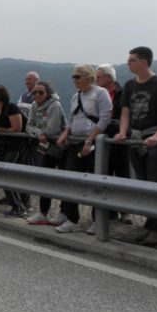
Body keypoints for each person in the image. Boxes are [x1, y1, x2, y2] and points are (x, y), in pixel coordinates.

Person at [114, 47, 157, 246]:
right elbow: (125, 112)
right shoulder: (130, 85)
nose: (128, 63)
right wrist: (123, 131)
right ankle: (153, 223)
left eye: (131, 60)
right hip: (135, 138)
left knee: (155, 182)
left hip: (154, 139)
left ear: (143, 62)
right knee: (143, 182)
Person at [55, 65, 112, 233]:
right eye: (73, 77)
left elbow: (105, 118)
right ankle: (72, 219)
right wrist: (66, 133)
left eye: (77, 77)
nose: (74, 80)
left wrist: (89, 140)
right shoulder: (75, 96)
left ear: (89, 77)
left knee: (96, 183)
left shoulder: (100, 93)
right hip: (76, 144)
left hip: (95, 145)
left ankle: (98, 220)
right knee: (71, 180)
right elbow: (73, 119)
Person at [25, 81, 67, 225]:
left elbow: (54, 128)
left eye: (40, 92)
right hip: (46, 146)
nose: (37, 95)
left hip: (60, 147)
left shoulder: (55, 105)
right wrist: (39, 133)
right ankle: (43, 212)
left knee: (64, 181)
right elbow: (29, 126)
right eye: (34, 92)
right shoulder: (34, 106)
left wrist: (40, 133)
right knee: (45, 179)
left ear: (48, 93)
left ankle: (64, 212)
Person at [96, 64, 131, 223]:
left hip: (120, 138)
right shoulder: (97, 93)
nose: (96, 79)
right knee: (105, 173)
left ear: (108, 78)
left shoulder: (123, 93)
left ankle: (125, 211)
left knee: (122, 174)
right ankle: (109, 212)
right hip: (103, 138)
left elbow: (127, 114)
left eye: (99, 76)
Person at [0, 86, 28, 217]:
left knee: (6, 175)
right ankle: (17, 205)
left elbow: (17, 128)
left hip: (16, 146)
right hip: (3, 146)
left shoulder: (11, 108)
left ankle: (19, 207)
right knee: (4, 175)